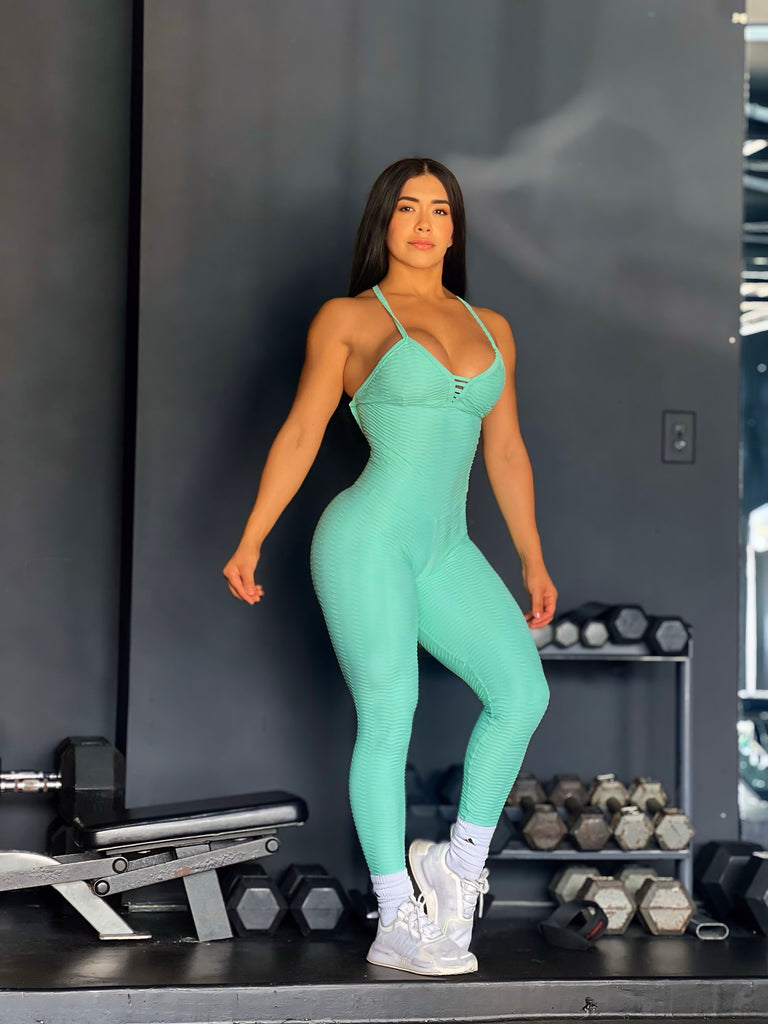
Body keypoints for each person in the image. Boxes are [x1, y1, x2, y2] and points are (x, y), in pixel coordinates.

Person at [223, 156, 556, 976]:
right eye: (407, 208)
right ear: (384, 221)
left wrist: (532, 557)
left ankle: (457, 865)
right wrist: (253, 536)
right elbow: (303, 432)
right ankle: (395, 916)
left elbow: (507, 451)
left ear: (455, 228)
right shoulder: (348, 318)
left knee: (521, 694)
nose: (424, 223)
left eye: (440, 209)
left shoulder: (493, 328)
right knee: (389, 713)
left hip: (448, 549)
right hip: (366, 539)